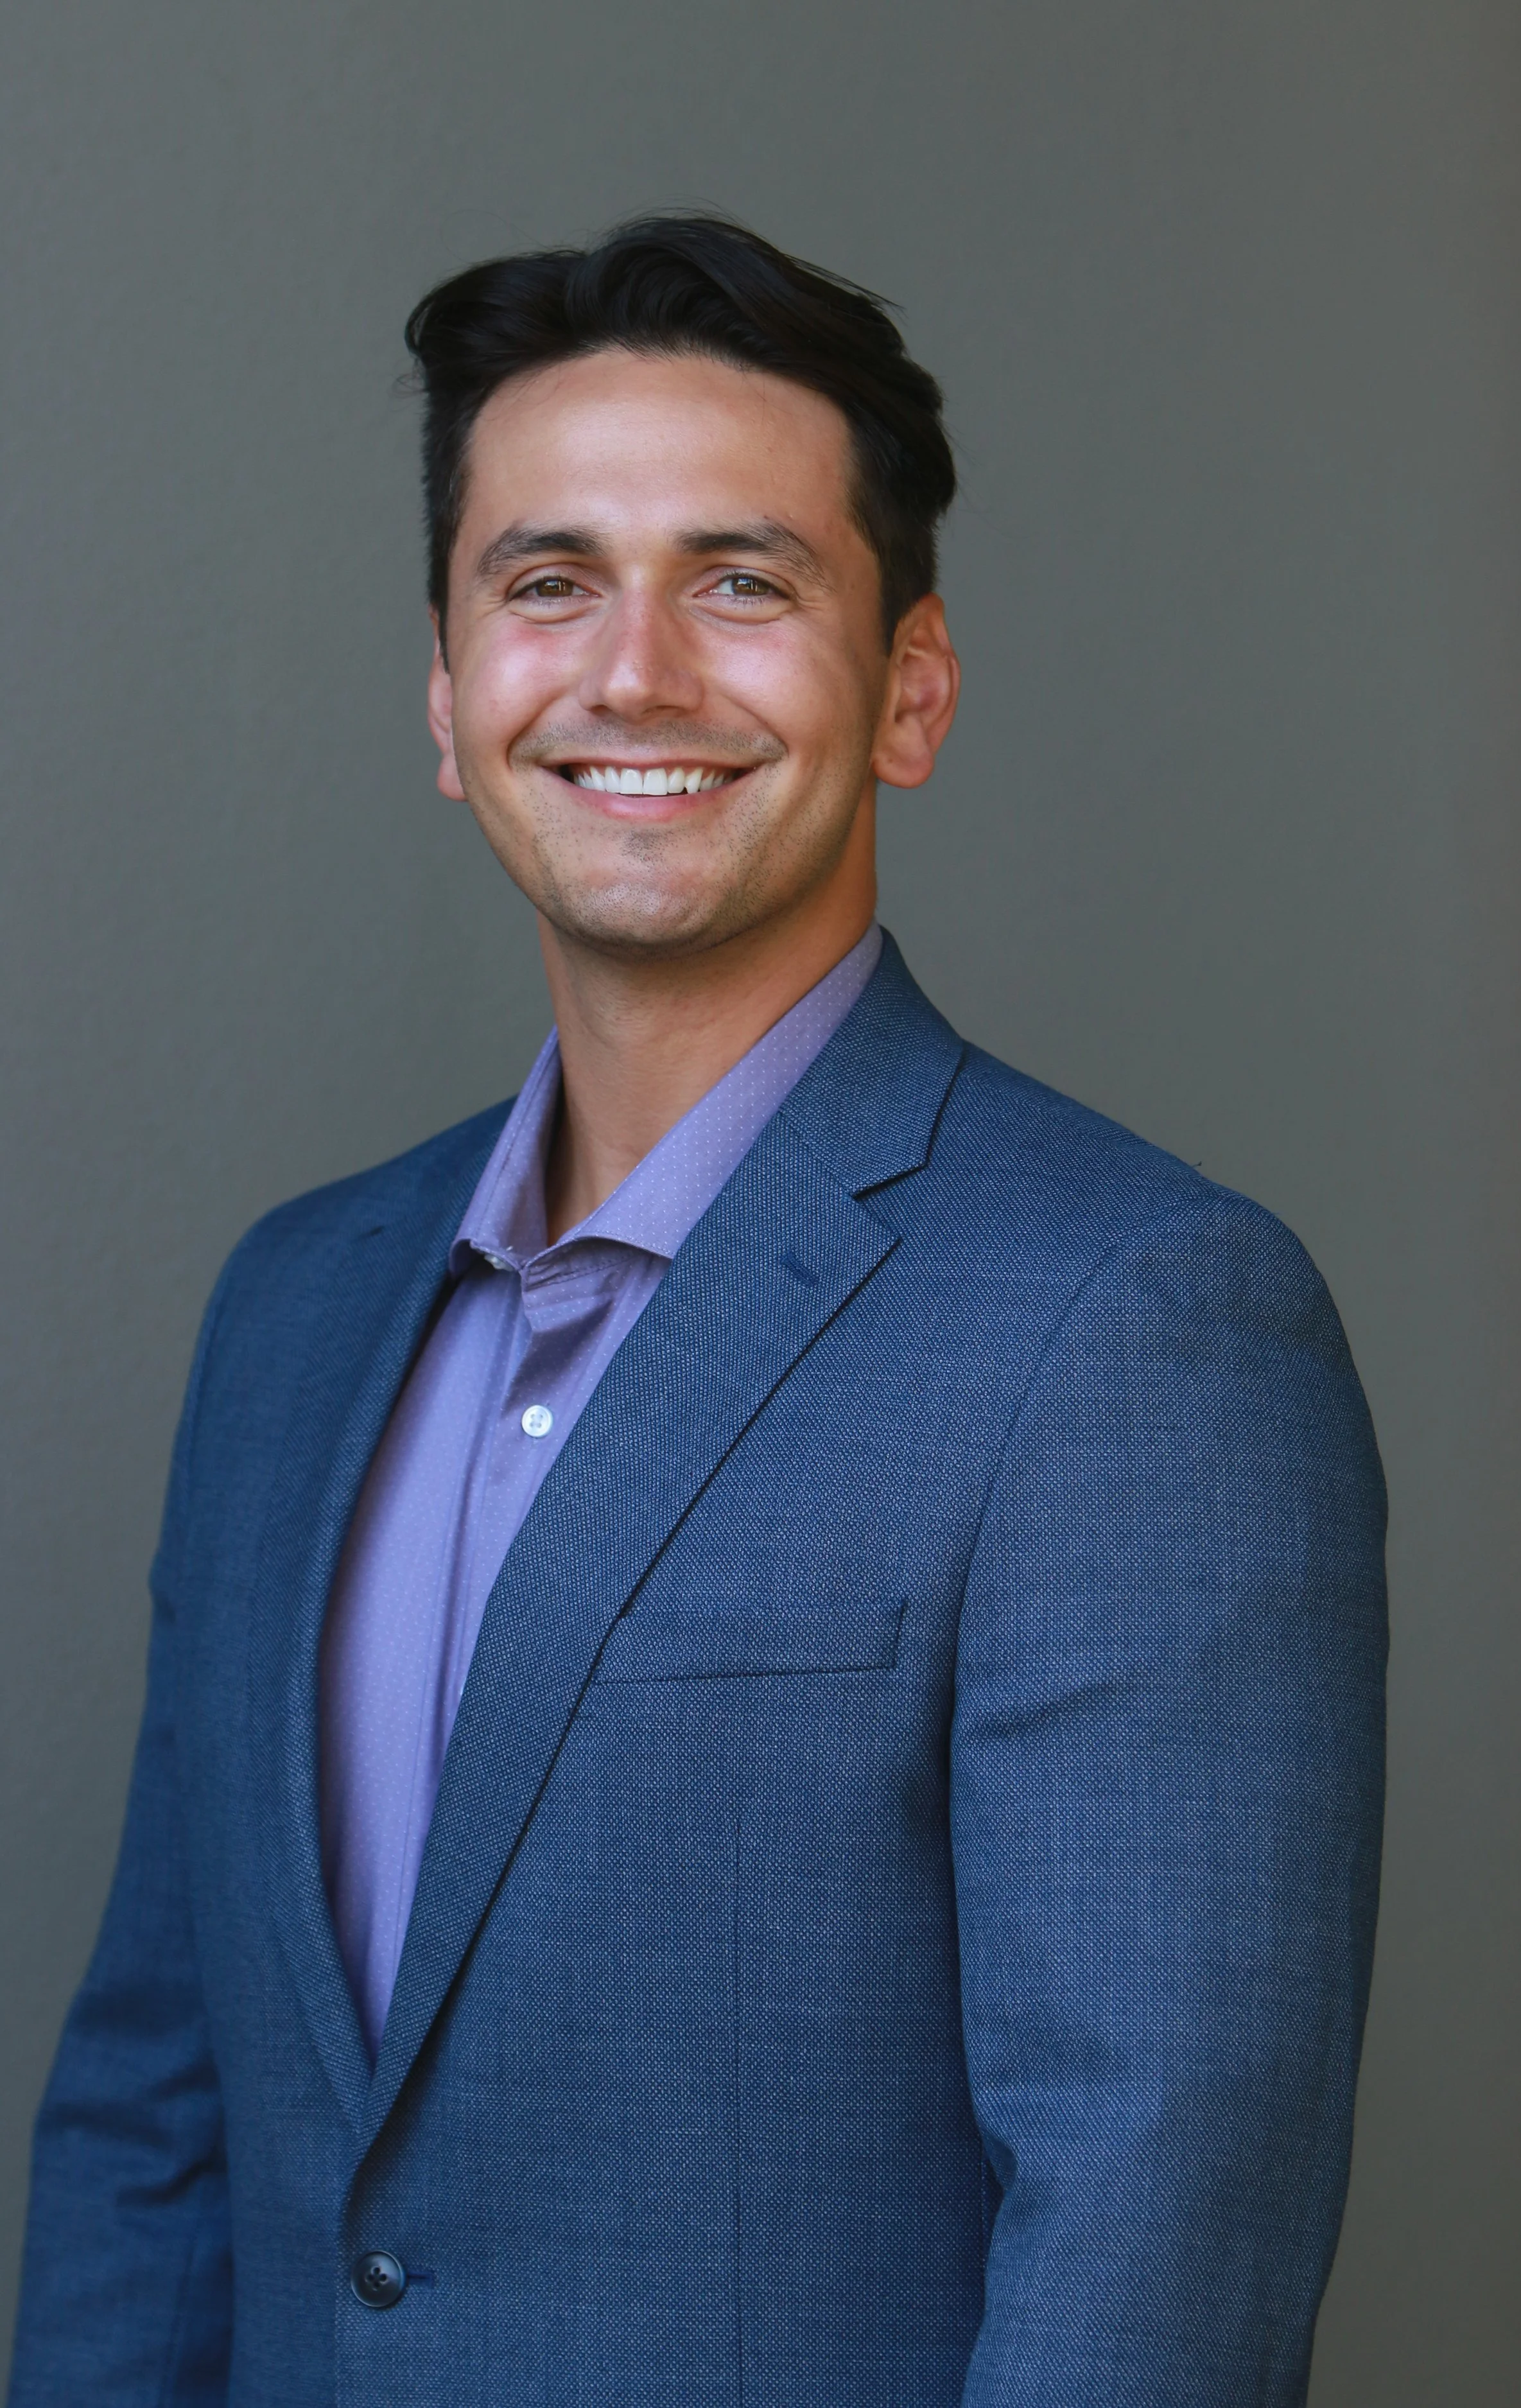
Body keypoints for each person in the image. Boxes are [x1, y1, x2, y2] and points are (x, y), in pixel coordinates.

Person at [8, 215, 1387, 2408]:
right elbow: (154, 2126)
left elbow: (1159, 2237)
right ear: (451, 701)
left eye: (742, 582)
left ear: (909, 690)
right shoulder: (290, 1310)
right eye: (546, 582)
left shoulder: (1135, 1322)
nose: (632, 671)